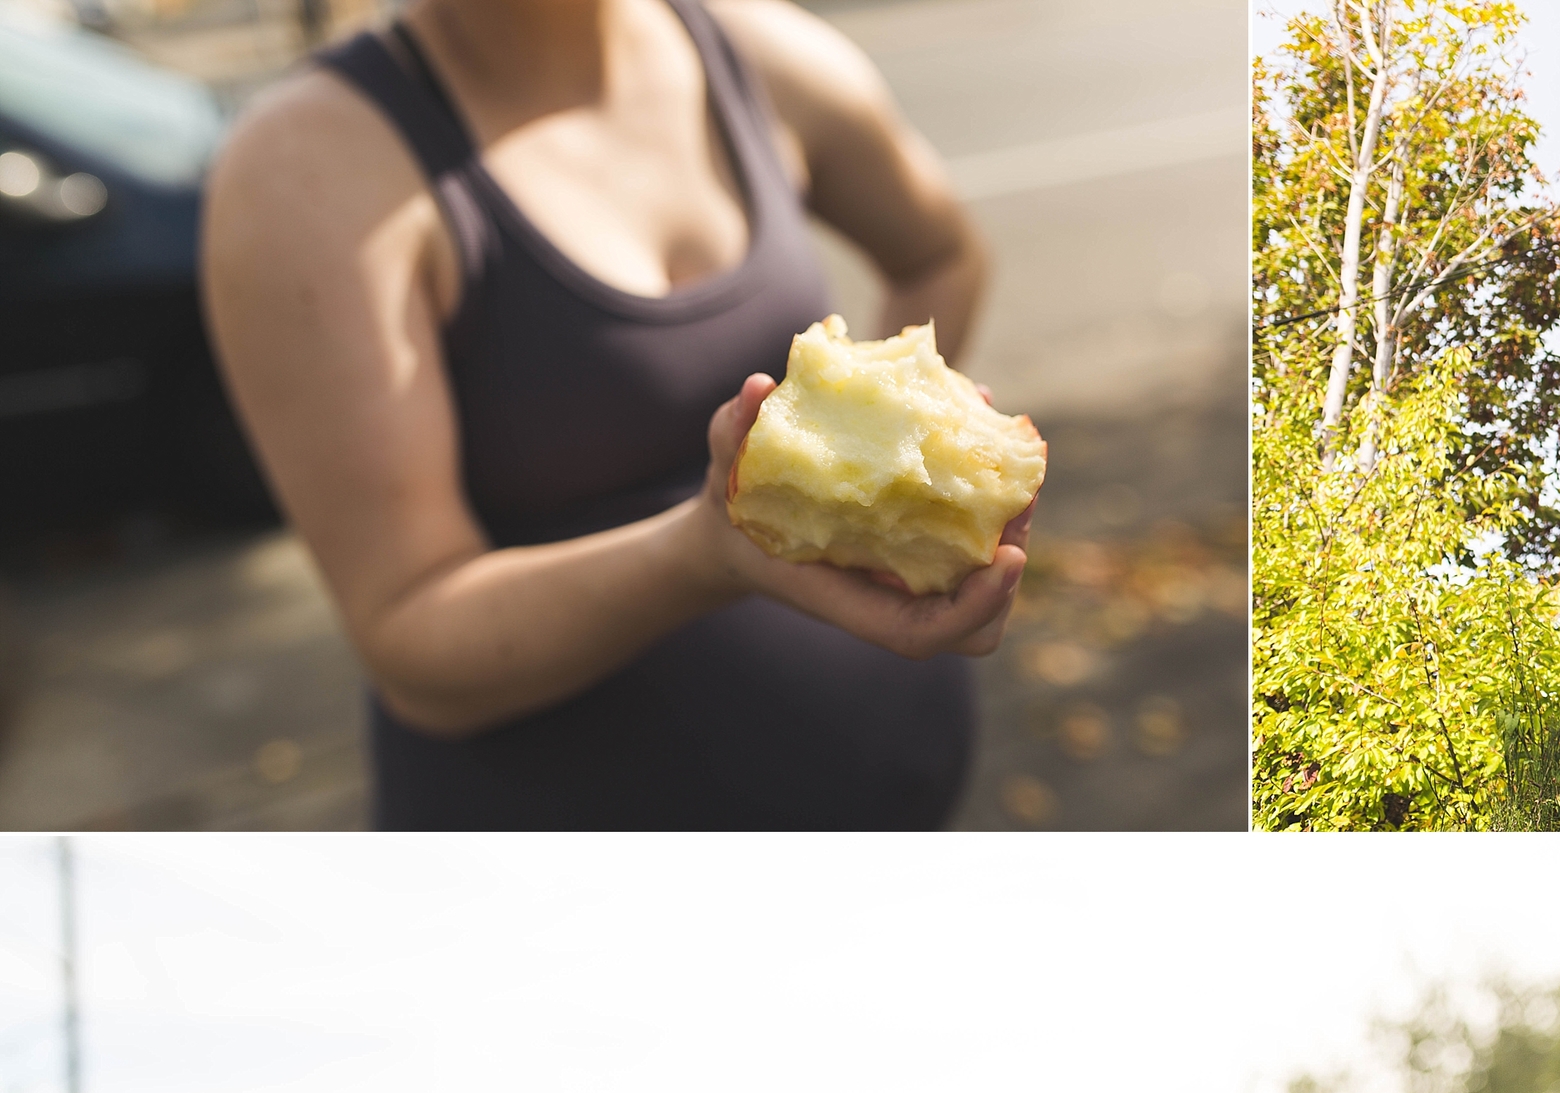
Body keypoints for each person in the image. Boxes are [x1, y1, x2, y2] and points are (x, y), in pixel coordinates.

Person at [202, 0, 1032, 828]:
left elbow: (939, 254)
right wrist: (707, 551)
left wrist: (895, 457)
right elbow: (411, 644)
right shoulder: (306, 165)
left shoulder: (757, 49)